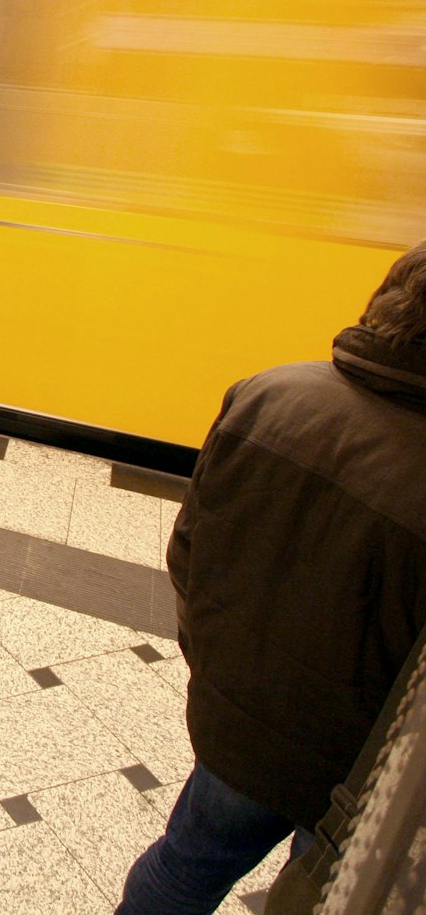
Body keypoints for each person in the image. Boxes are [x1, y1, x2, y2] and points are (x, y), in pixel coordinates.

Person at [116, 240, 426, 915]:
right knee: (314, 895)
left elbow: (189, 551)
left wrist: (218, 674)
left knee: (182, 867)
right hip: (353, 769)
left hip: (238, 727)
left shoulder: (268, 392)